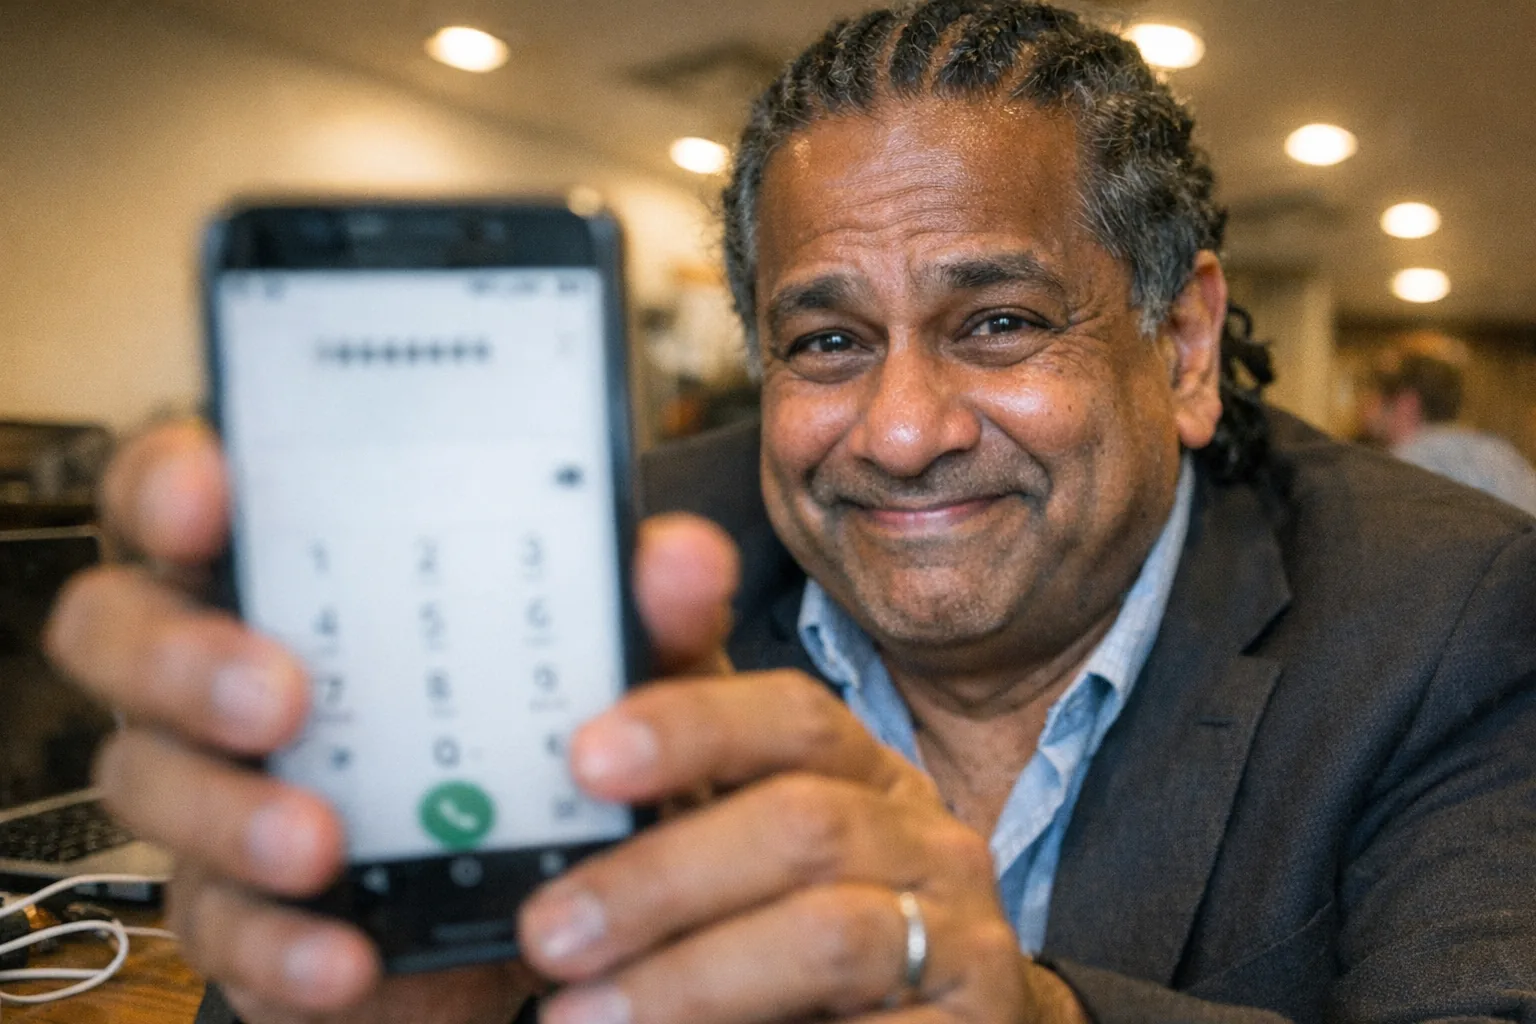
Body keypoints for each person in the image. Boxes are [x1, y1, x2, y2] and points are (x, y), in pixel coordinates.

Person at [45, 2, 1536, 1022]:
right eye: (825, 343)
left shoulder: (1449, 615)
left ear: (1185, 346)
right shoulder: (616, 572)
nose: (898, 432)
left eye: (1001, 322)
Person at [1358, 344, 1536, 516]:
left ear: (1407, 403)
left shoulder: (1404, 465)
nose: (1365, 408)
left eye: (1373, 395)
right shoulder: (1502, 453)